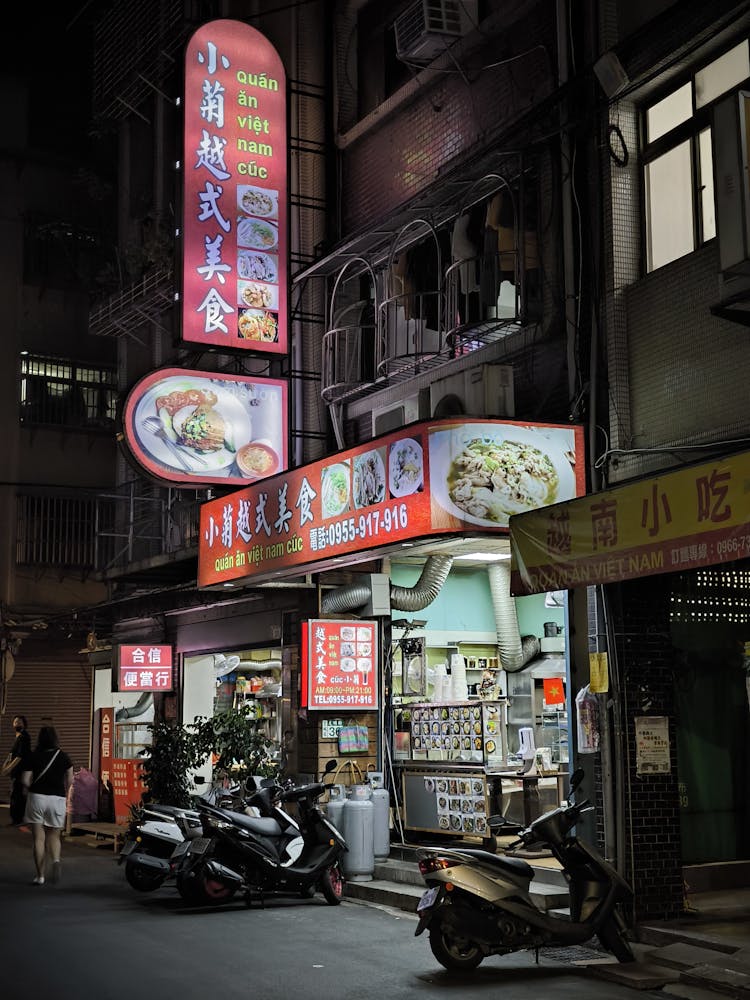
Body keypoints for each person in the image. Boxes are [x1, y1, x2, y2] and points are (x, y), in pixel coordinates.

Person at [20, 725, 73, 885]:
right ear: (56, 738)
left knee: (38, 838)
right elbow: (70, 780)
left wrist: (29, 788)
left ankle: (40, 876)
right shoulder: (64, 757)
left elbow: (25, 780)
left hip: (37, 797)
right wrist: (63, 790)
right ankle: (56, 860)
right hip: (57, 799)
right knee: (54, 836)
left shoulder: (33, 756)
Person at [5, 715, 32, 825]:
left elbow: (19, 756)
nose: (17, 724)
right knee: (17, 794)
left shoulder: (23, 737)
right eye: (15, 722)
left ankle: (18, 819)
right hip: (17, 771)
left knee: (17, 794)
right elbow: (12, 754)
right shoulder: (18, 736)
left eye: (19, 722)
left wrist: (8, 768)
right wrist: (5, 766)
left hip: (21, 771)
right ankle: (17, 819)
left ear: (24, 724)